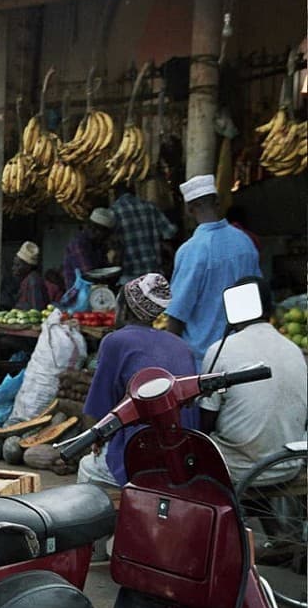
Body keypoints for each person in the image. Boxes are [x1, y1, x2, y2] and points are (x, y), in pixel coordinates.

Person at [78, 273, 199, 489]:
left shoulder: (115, 341)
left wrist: (95, 440)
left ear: (124, 309)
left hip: (142, 458)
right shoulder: (182, 346)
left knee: (87, 465)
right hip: (184, 456)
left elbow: (96, 410)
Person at [199, 276, 307, 485]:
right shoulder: (294, 350)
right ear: (270, 310)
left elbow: (206, 421)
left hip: (238, 469)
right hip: (288, 465)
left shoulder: (220, 350)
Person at [165, 174, 261, 361]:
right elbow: (258, 294)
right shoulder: (244, 242)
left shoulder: (191, 250)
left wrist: (168, 357)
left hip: (206, 359)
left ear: (189, 209)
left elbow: (177, 313)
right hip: (244, 352)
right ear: (217, 203)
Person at [110, 182, 176, 283]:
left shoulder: (113, 212)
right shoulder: (151, 207)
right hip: (153, 272)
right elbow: (170, 232)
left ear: (115, 193)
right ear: (134, 191)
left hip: (129, 276)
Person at [62, 207, 115, 290]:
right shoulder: (79, 244)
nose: (107, 237)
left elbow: (105, 270)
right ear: (94, 229)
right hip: (80, 294)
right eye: (105, 233)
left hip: (96, 292)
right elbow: (89, 275)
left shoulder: (99, 245)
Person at [11, 241, 49, 310]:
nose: (13, 268)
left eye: (17, 265)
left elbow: (37, 310)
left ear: (28, 266)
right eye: (14, 264)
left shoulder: (34, 281)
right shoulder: (26, 280)